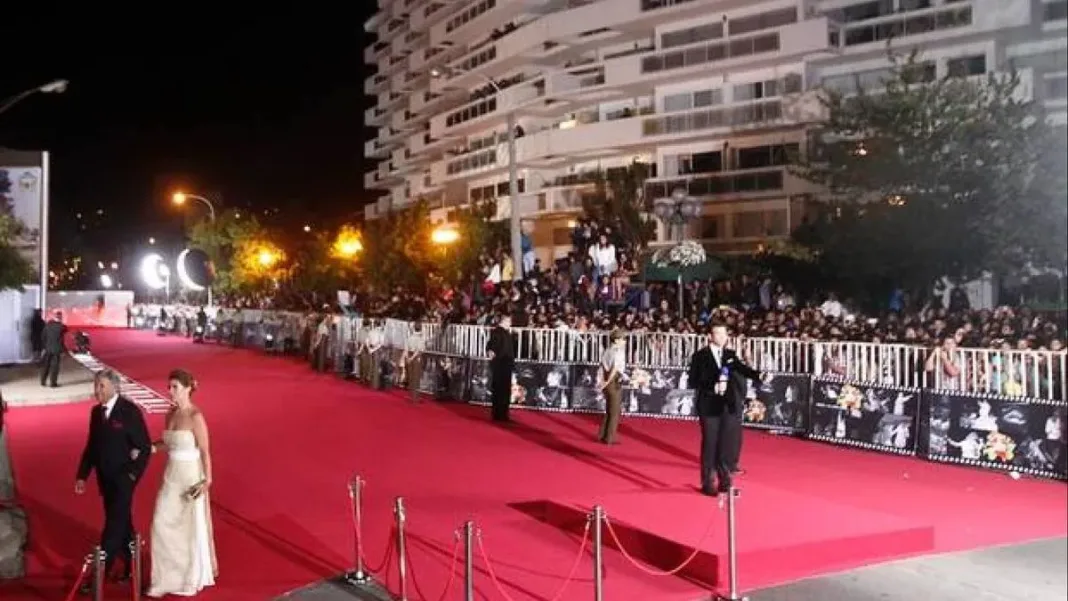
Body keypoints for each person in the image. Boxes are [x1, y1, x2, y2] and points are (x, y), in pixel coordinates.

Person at [75, 370, 152, 593]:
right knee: (122, 523)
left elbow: (144, 447)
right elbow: (92, 446)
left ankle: (100, 571)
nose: (97, 390)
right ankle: (132, 564)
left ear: (114, 387)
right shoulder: (95, 413)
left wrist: (132, 475)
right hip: (104, 480)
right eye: (96, 385)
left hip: (124, 480)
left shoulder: (129, 412)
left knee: (113, 526)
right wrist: (82, 475)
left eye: (101, 386)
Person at [144, 369, 217, 597]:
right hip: (171, 475)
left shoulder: (196, 417)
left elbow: (205, 452)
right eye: (169, 387)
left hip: (190, 476)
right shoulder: (170, 414)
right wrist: (152, 448)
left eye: (174, 387)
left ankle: (187, 577)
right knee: (160, 522)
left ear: (187, 388)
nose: (170, 391)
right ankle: (163, 579)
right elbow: (169, 443)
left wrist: (207, 480)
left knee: (187, 527)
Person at [687, 324, 766, 497]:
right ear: (710, 336)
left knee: (726, 443)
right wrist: (712, 386)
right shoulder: (700, 356)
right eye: (718, 334)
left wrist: (758, 375)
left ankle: (725, 482)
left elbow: (740, 368)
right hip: (709, 406)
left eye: (725, 334)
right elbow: (693, 381)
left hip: (727, 405)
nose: (723, 337)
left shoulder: (729, 355)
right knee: (710, 443)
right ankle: (708, 482)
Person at [598, 329, 627, 444]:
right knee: (614, 411)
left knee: (609, 410)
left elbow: (602, 366)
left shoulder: (607, 350)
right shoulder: (618, 352)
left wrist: (603, 380)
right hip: (613, 381)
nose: (624, 341)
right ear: (617, 340)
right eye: (622, 339)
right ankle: (609, 438)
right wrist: (608, 380)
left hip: (606, 378)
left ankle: (602, 434)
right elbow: (615, 368)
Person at [486, 315, 515, 423]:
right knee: (500, 390)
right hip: (501, 365)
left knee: (504, 390)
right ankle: (499, 414)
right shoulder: (497, 332)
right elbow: (491, 346)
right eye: (509, 322)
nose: (510, 324)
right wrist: (490, 351)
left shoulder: (505, 333)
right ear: (504, 321)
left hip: (505, 365)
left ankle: (502, 414)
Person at [40, 310, 67, 388]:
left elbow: (43, 337)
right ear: (60, 317)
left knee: (46, 365)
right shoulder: (61, 327)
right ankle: (53, 383)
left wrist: (44, 347)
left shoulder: (48, 325)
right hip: (56, 349)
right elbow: (65, 330)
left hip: (48, 348)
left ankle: (43, 381)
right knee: (54, 367)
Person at [402, 323, 425, 402]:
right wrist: (412, 358)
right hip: (416, 358)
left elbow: (406, 349)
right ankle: (415, 396)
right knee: (416, 377)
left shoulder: (409, 338)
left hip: (409, 356)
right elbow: (418, 350)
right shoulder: (420, 339)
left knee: (411, 376)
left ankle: (412, 394)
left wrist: (407, 358)